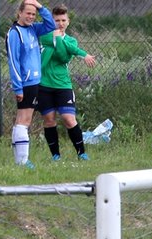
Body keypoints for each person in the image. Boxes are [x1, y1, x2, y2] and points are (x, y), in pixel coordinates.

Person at [38, 4, 96, 161]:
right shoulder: (43, 37)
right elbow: (51, 44)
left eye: (63, 20)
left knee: (69, 119)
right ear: (52, 22)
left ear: (68, 22)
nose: (60, 23)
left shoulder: (71, 41)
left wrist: (58, 39)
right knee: (49, 120)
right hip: (44, 85)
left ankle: (81, 153)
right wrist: (56, 38)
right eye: (57, 20)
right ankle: (55, 156)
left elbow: (63, 56)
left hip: (63, 85)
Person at [6, 0, 55, 168]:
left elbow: (51, 25)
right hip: (26, 83)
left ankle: (19, 161)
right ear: (19, 13)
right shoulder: (14, 33)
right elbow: (13, 62)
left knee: (22, 119)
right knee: (24, 120)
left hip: (35, 81)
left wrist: (39, 6)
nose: (31, 17)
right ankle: (23, 160)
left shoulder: (33, 28)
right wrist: (18, 87)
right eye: (28, 13)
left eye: (34, 14)